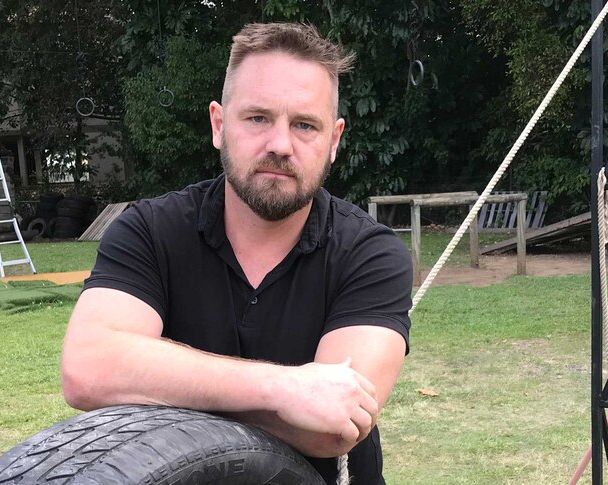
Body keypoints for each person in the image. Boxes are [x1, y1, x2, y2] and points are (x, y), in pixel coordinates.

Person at [60, 22, 412, 484]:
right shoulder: (148, 230)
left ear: (334, 141)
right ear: (219, 125)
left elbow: (334, 426)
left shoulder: (372, 254)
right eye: (258, 118)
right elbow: (88, 368)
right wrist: (285, 388)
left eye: (305, 125)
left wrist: (156, 381)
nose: (280, 145)